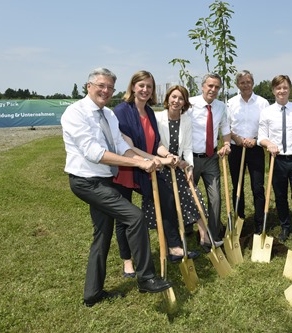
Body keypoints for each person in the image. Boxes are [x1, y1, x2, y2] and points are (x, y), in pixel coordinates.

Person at [61, 68, 171, 307]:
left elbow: (121, 145)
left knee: (102, 235)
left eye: (110, 87)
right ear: (88, 86)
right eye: (101, 86)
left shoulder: (109, 114)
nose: (106, 91)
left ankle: (92, 294)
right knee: (134, 216)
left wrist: (142, 160)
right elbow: (95, 153)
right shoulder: (75, 113)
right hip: (85, 182)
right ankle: (146, 278)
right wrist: (138, 162)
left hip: (104, 181)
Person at [112, 70, 189, 269]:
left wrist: (168, 155)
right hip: (126, 168)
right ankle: (127, 260)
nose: (145, 90)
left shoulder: (149, 112)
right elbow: (129, 147)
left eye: (149, 86)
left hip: (148, 167)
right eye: (141, 85)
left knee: (167, 198)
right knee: (124, 217)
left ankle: (173, 247)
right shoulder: (121, 111)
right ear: (133, 87)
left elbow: (155, 143)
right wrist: (157, 159)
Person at [155, 85, 222, 254]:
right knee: (169, 204)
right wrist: (168, 158)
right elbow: (155, 144)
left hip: (179, 166)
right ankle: (173, 243)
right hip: (161, 168)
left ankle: (203, 235)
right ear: (168, 98)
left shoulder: (185, 120)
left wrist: (189, 166)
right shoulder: (157, 118)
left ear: (185, 102)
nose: (176, 101)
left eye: (180, 98)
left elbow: (187, 147)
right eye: (174, 97)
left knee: (194, 195)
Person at [258, 75, 292, 244]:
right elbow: (261, 137)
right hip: (277, 160)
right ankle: (285, 226)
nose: (282, 91)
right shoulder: (267, 112)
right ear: (273, 90)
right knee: (280, 196)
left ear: (289, 89)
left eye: (285, 87)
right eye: (278, 88)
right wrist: (268, 143)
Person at [187, 73, 231, 241]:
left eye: (217, 87)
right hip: (192, 158)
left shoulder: (221, 106)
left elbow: (225, 128)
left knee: (215, 197)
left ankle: (212, 232)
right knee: (190, 194)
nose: (213, 90)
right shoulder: (190, 104)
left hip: (211, 158)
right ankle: (187, 227)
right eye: (210, 86)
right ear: (203, 86)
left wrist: (226, 144)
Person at [227, 70, 269, 234]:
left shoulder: (262, 103)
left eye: (248, 82)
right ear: (237, 84)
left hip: (255, 147)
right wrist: (235, 138)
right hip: (236, 148)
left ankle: (259, 223)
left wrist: (256, 139)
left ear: (253, 83)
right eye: (242, 82)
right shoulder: (230, 103)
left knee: (257, 186)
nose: (245, 85)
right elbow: (226, 126)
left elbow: (266, 126)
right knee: (237, 185)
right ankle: (240, 220)